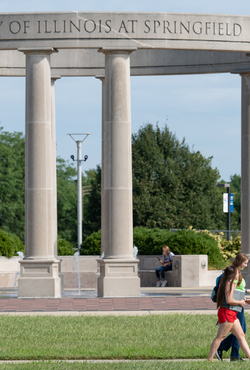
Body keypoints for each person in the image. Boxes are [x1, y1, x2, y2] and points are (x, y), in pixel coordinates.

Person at [208, 265, 250, 362]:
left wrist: (243, 300)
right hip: (227, 313)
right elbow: (229, 300)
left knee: (241, 336)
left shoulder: (231, 283)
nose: (238, 274)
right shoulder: (229, 283)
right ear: (232, 274)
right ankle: (209, 360)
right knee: (220, 337)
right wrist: (240, 302)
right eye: (237, 273)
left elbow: (231, 298)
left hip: (232, 314)